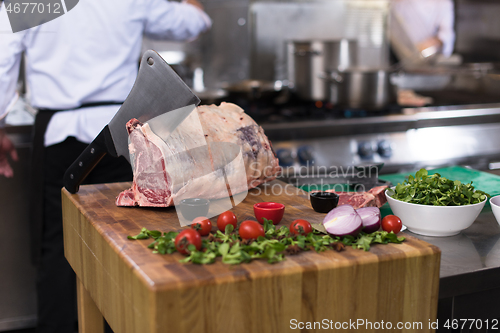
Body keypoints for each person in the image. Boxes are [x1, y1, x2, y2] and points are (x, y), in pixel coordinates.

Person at [0, 1, 211, 332]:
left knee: (58, 246)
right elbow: (193, 24)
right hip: (123, 136)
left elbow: (3, 49)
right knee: (127, 244)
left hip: (61, 136)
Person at [389, 0, 455, 63]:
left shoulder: (443, 2)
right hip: (398, 55)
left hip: (426, 58)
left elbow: (447, 34)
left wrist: (435, 41)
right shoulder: (400, 2)